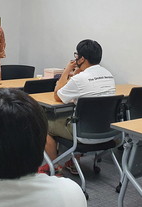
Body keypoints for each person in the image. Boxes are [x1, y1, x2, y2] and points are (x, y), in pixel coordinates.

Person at [42, 39, 116, 175]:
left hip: (84, 135)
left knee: (44, 125)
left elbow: (58, 96)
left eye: (77, 56)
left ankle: (55, 169)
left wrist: (67, 71)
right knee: (78, 117)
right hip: (108, 133)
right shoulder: (108, 74)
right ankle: (74, 164)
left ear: (81, 59)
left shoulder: (80, 79)